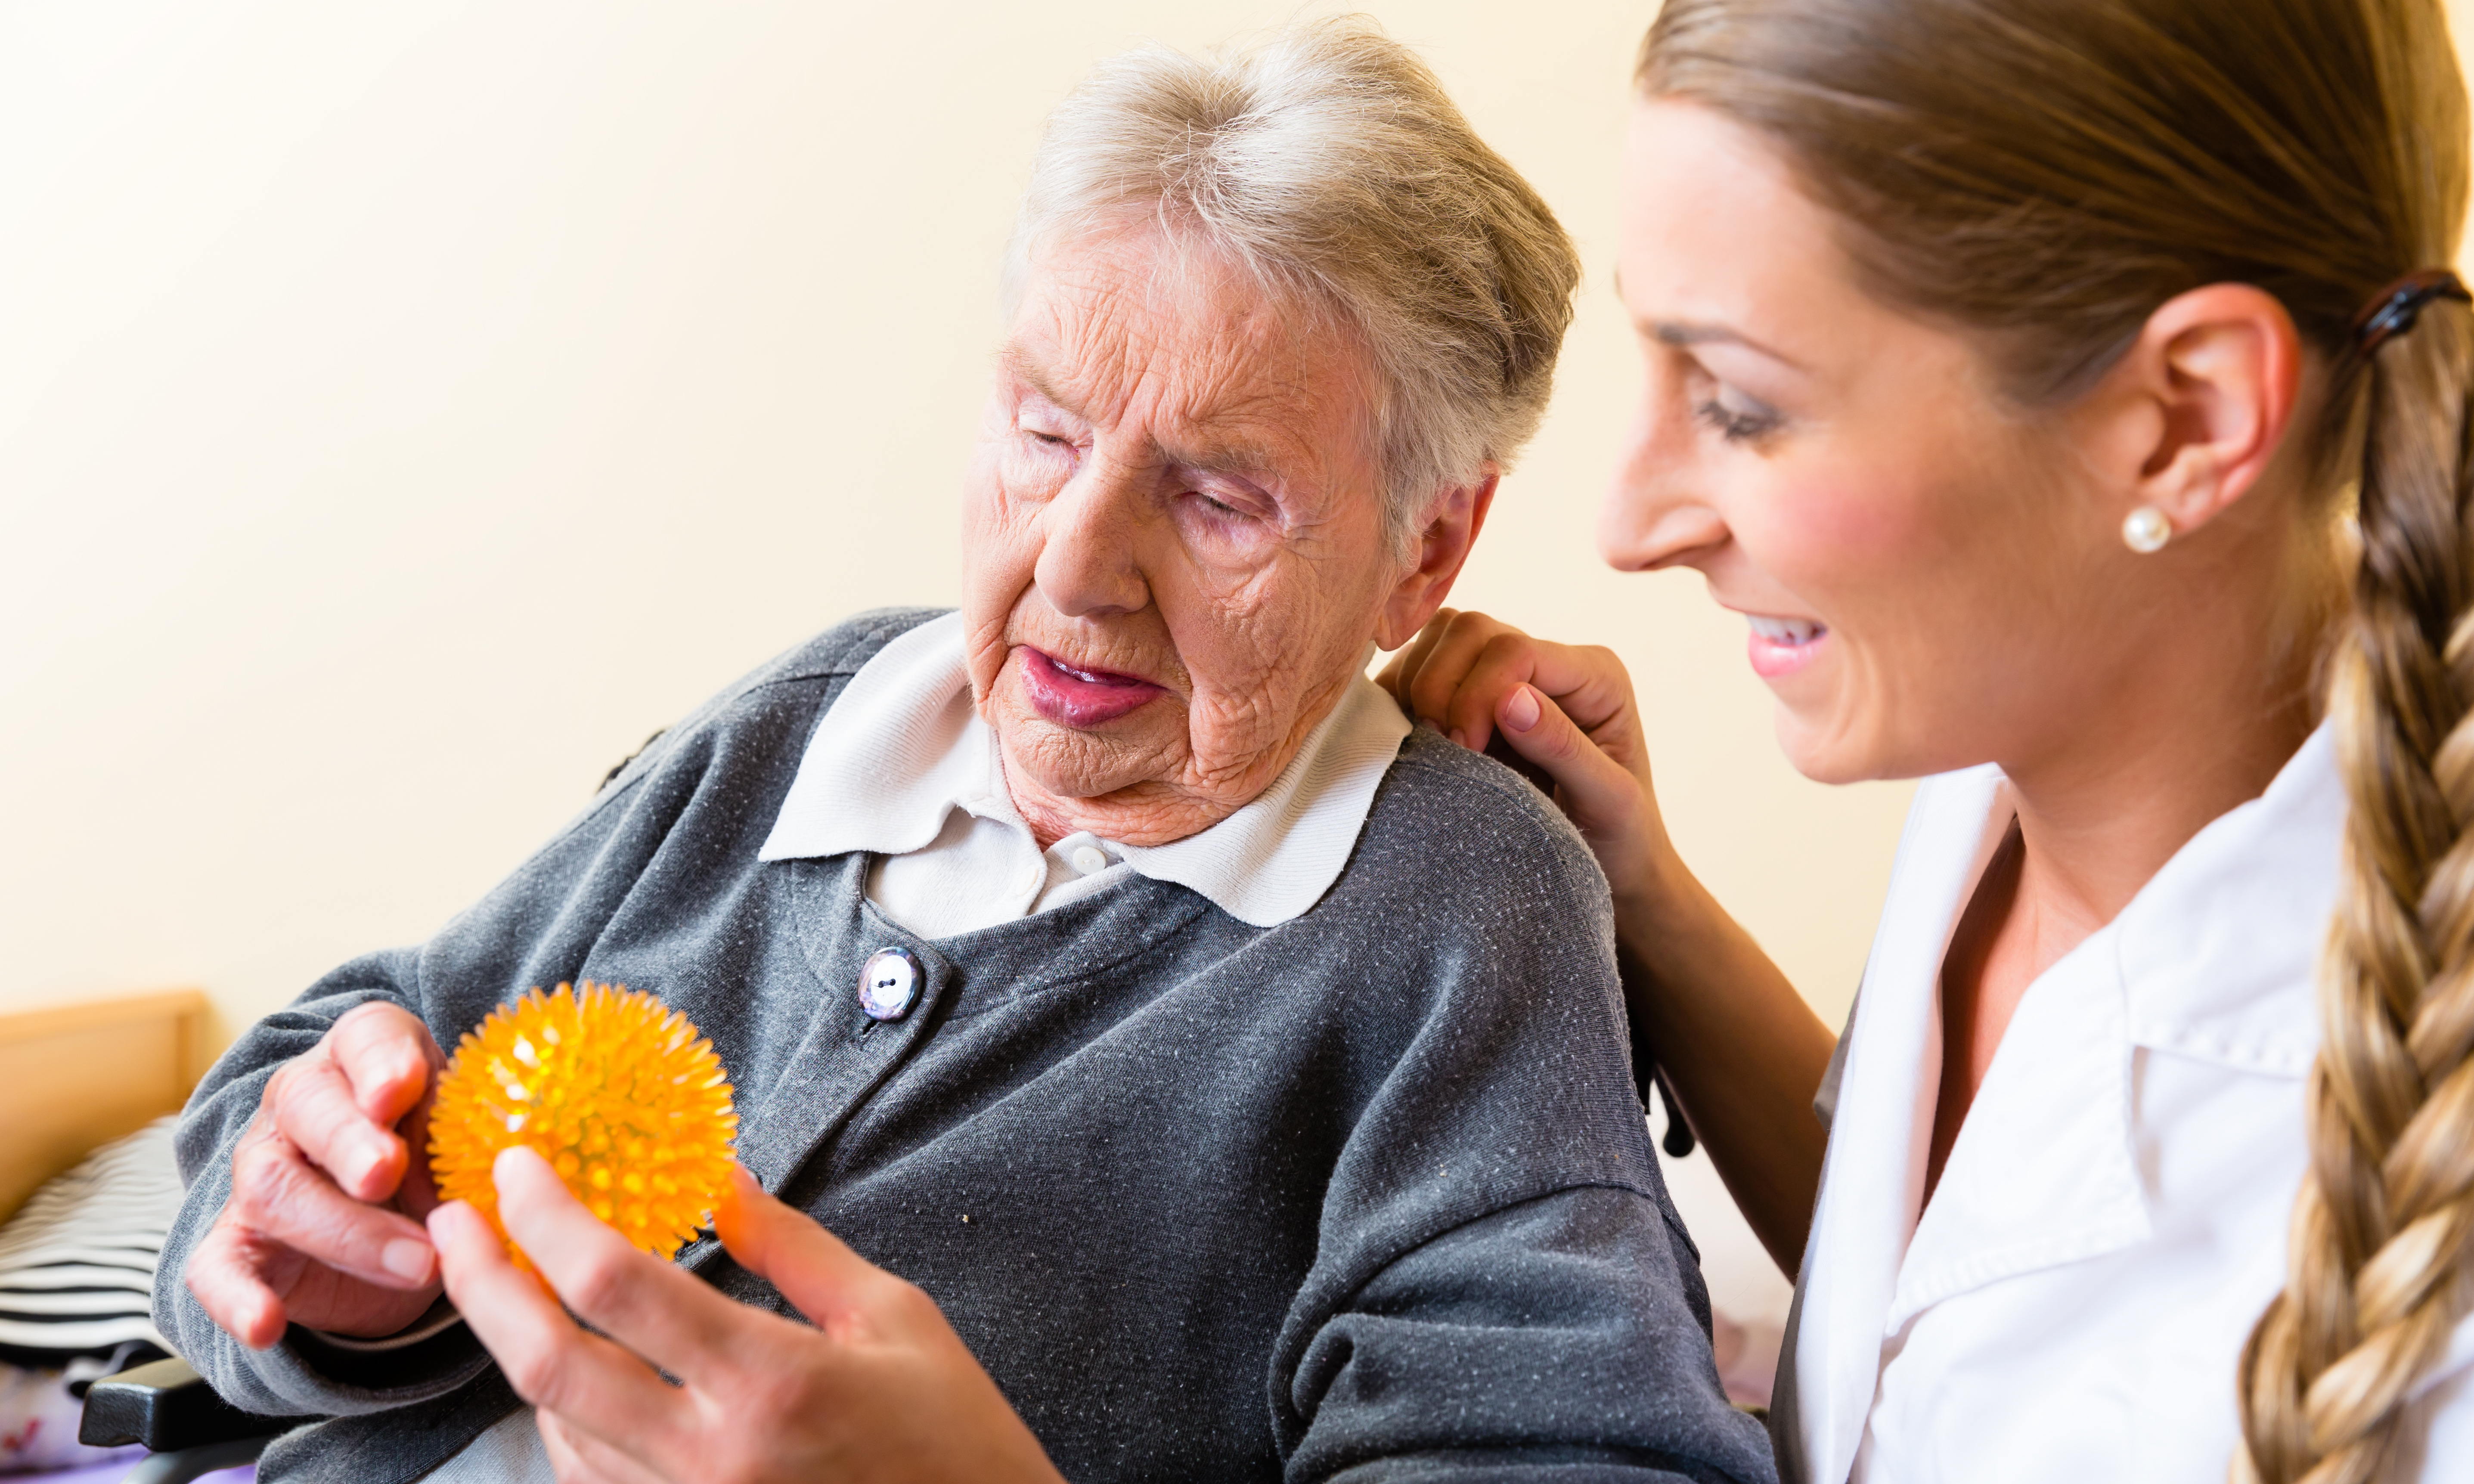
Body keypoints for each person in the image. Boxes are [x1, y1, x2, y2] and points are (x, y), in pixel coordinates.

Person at [149, 20, 1776, 1484]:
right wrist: (335, 1262)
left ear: (1426, 551)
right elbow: (346, 1064)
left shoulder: (1452, 905)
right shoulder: (820, 713)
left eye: (1217, 498)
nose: (1072, 567)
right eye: (1047, 433)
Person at [1385, 1, 2474, 1480]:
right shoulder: (2017, 752)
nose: (1628, 521)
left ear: (2183, 417)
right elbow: (1928, 1288)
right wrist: (1642, 897)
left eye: (1745, 407)